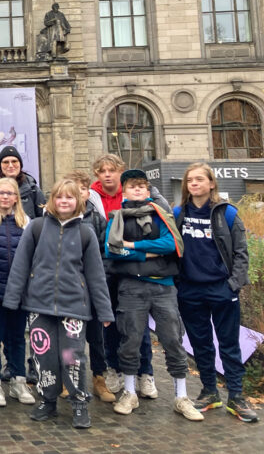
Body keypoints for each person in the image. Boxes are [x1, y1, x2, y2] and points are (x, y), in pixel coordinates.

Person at [3, 179, 113, 429]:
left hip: (73, 308)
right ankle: (48, 401)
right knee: (44, 358)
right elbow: (21, 265)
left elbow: (96, 274)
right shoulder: (37, 228)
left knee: (72, 358)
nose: (64, 202)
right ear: (52, 200)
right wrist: (12, 298)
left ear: (79, 202)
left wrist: (104, 310)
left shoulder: (85, 232)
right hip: (39, 306)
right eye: (60, 197)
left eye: (70, 198)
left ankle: (78, 403)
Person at [104, 169, 203, 421]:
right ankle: (129, 392)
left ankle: (181, 397)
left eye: (142, 187)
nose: (137, 190)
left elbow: (170, 245)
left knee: (172, 339)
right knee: (130, 340)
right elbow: (113, 251)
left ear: (148, 192)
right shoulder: (116, 219)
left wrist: (133, 247)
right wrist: (150, 253)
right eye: (132, 187)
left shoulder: (162, 216)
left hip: (164, 287)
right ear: (123, 192)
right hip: (131, 288)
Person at [174, 163, 257, 422]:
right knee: (200, 345)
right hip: (190, 290)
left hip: (222, 289)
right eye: (190, 180)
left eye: (200, 179)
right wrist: (178, 284)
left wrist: (233, 284)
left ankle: (236, 396)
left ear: (211, 184)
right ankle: (210, 392)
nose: (194, 184)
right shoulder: (179, 213)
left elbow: (241, 253)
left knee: (229, 345)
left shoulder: (227, 213)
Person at [88, 153, 160, 397]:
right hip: (106, 268)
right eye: (102, 170)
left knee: (138, 323)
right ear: (97, 174)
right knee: (109, 323)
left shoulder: (135, 193)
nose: (107, 174)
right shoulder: (90, 197)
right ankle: (115, 370)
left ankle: (145, 373)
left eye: (112, 170)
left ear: (121, 172)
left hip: (134, 269)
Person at [63, 170, 116, 404]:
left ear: (87, 193)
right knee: (68, 337)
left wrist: (98, 277)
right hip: (68, 288)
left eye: (82, 189)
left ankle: (98, 378)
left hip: (92, 287)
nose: (78, 193)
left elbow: (107, 251)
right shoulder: (58, 219)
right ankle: (68, 380)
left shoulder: (97, 218)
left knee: (96, 337)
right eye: (73, 188)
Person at [0, 177, 35, 407]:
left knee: (17, 338)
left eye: (10, 193)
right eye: (1, 193)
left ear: (16, 197)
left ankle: (18, 379)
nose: (5, 197)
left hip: (19, 290)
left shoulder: (27, 222)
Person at [0, 146, 44, 219]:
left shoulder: (33, 191)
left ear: (20, 164)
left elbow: (43, 220)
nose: (10, 165)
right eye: (6, 162)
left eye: (14, 161)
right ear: (0, 166)